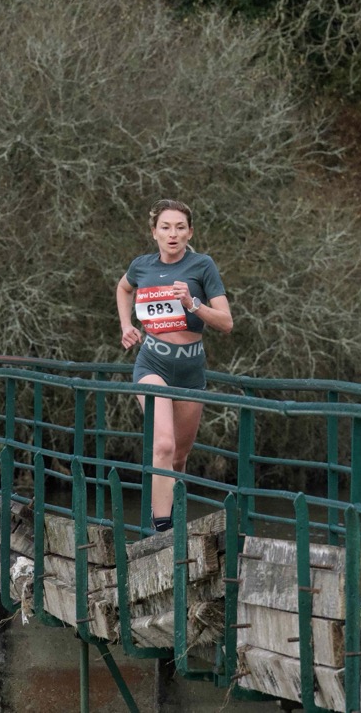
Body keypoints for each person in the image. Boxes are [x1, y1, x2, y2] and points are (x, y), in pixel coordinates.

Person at [116, 199, 233, 532]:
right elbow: (123, 288)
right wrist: (126, 325)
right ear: (154, 232)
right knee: (163, 445)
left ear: (190, 232)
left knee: (179, 456)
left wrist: (192, 304)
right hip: (152, 363)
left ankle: (175, 522)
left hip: (190, 371)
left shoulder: (202, 266)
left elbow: (226, 323)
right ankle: (162, 531)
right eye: (165, 227)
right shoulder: (141, 266)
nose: (172, 234)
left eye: (180, 227)